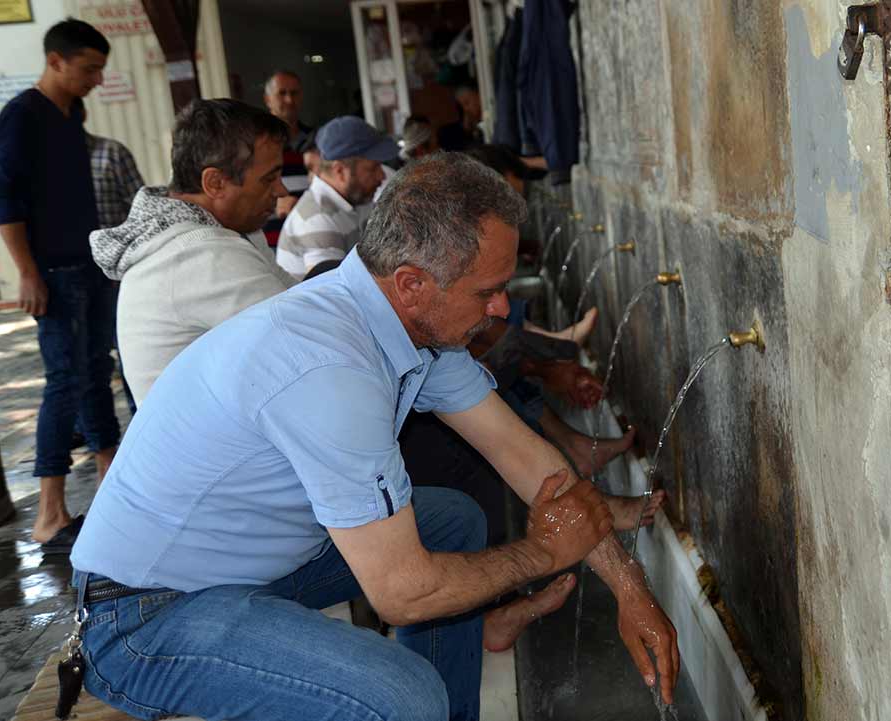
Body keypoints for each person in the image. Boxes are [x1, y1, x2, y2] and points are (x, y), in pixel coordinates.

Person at [70, 153, 680, 721]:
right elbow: (403, 596)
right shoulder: (331, 369)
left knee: (451, 521)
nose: (500, 310)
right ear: (413, 282)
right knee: (401, 696)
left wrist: (632, 590)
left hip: (243, 567)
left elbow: (528, 458)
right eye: (486, 292)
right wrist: (545, 554)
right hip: (145, 614)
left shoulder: (407, 323)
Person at [0, 19, 118, 554]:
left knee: (97, 375)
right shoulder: (22, 116)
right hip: (52, 273)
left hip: (86, 263)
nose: (96, 80)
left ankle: (113, 495)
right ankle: (49, 514)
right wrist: (26, 271)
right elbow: (5, 197)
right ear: (56, 60)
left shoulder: (74, 113)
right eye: (89, 69)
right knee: (64, 382)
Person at [89, 99, 294, 406]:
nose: (281, 191)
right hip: (217, 452)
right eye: (268, 178)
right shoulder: (200, 253)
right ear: (215, 183)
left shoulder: (225, 232)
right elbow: (303, 338)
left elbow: (297, 302)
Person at [276, 115, 395, 280]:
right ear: (339, 171)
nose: (381, 176)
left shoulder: (357, 199)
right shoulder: (317, 219)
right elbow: (335, 297)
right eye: (373, 168)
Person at [82, 101, 144, 416]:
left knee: (131, 350)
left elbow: (140, 210)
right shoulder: (47, 165)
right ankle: (98, 439)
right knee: (88, 362)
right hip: (76, 277)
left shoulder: (111, 154)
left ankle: (142, 422)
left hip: (118, 275)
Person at [262, 70, 313, 246]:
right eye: (282, 93)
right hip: (274, 243)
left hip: (314, 237)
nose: (289, 100)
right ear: (268, 99)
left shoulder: (317, 141)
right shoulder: (255, 146)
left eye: (294, 93)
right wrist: (273, 203)